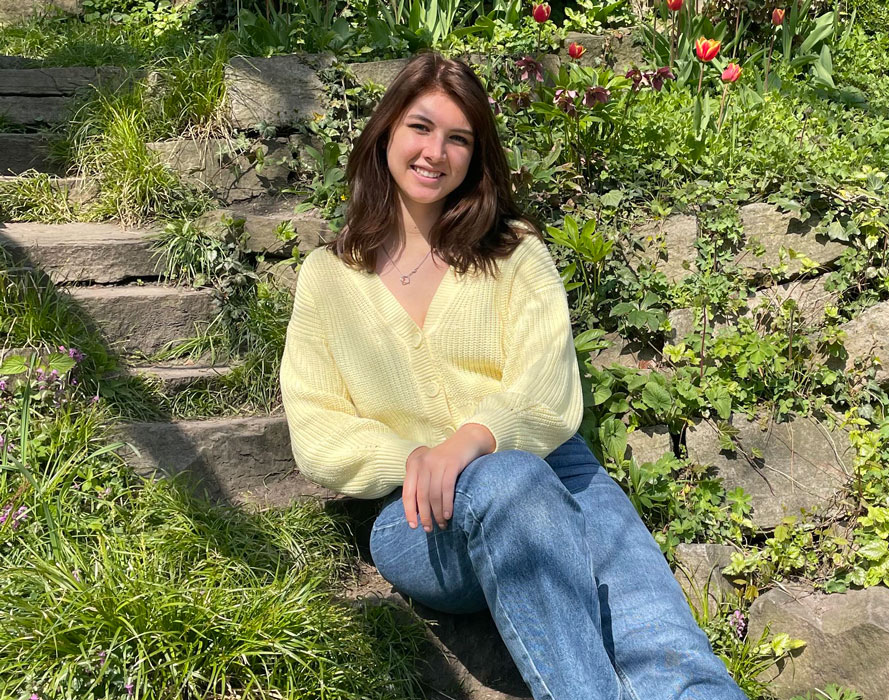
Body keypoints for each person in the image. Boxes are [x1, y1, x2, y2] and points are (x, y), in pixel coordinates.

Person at [279, 49, 749, 700]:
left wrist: (469, 441)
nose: (434, 151)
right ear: (385, 130)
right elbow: (319, 428)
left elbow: (545, 386)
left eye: (458, 138)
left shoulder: (514, 253)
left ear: (475, 156)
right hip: (418, 516)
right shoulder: (328, 280)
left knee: (667, 650)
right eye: (420, 126)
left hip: (560, 472)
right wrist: (420, 459)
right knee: (508, 479)